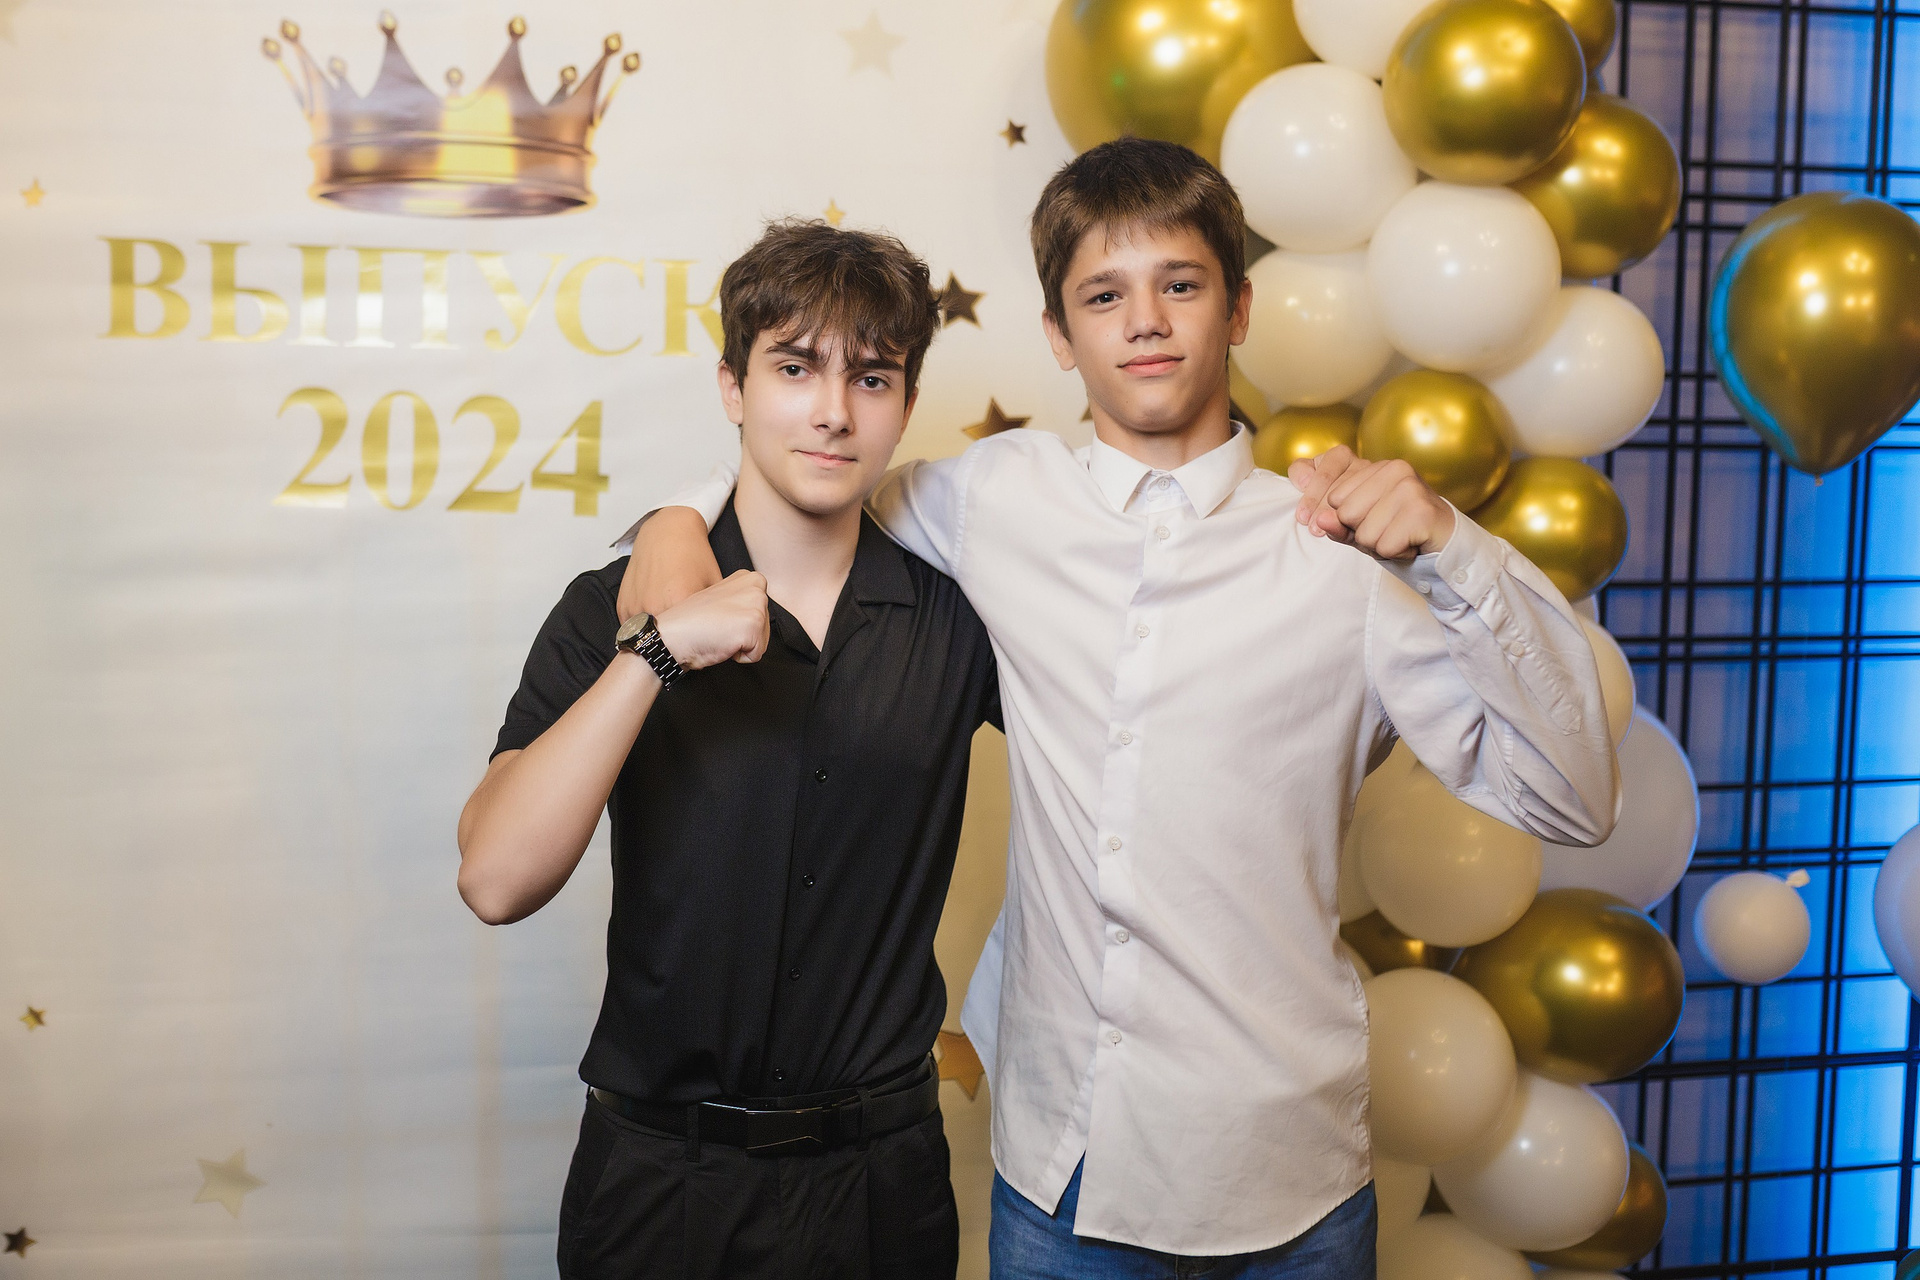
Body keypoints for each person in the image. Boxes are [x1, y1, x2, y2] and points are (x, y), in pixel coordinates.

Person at [619, 138, 1620, 1278]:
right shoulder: (988, 499)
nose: (1145, 322)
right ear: (1059, 333)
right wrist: (676, 517)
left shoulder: (1347, 558)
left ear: (1239, 310)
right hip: (1059, 1177)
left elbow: (1573, 800)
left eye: (1180, 285)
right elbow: (809, 471)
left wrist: (1453, 547)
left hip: (1289, 1181)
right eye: (1104, 296)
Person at [456, 219, 1000, 1280]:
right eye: (795, 368)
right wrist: (658, 651)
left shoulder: (962, 619)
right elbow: (494, 879)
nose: (833, 411)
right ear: (732, 387)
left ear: (905, 406)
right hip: (661, 1183)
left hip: (881, 1188)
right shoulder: (611, 605)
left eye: (872, 378)